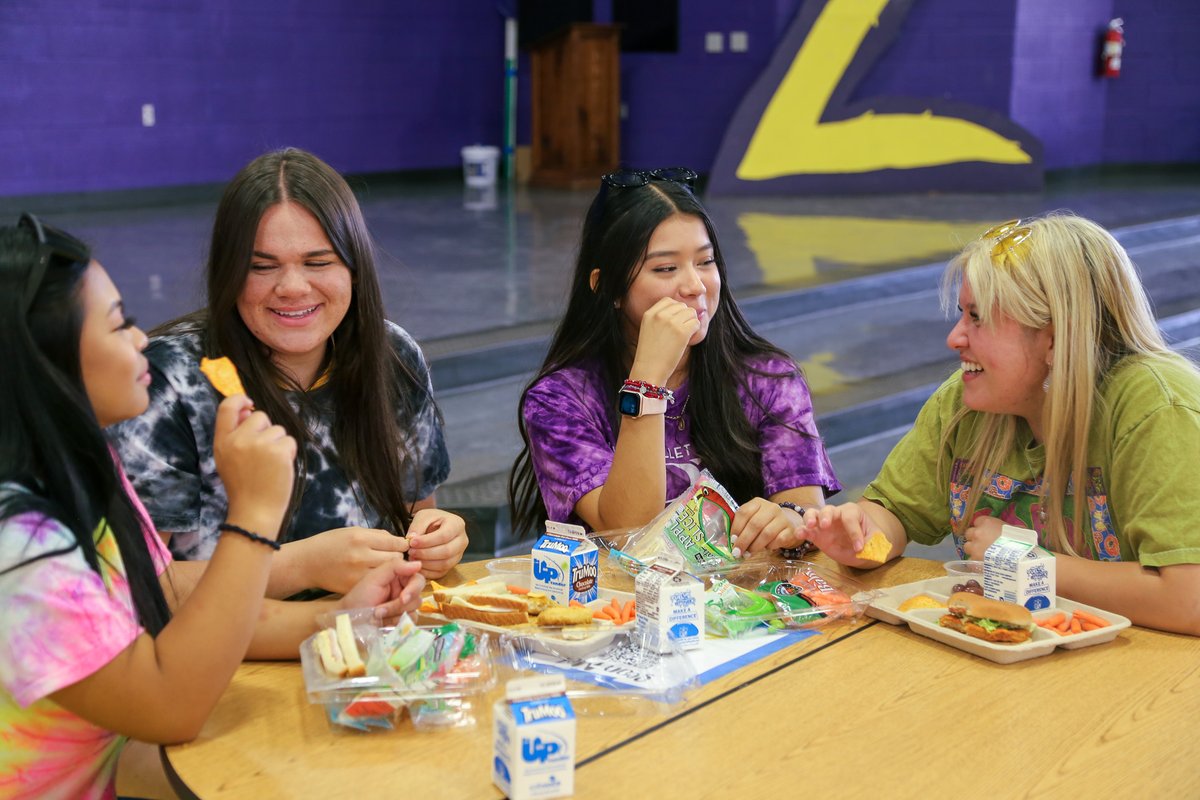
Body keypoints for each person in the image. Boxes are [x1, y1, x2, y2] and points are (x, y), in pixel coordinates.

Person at [0, 216, 426, 799]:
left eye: (319, 261)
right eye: (119, 323)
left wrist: (336, 618)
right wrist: (253, 515)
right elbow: (168, 706)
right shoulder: (21, 545)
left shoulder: (82, 468)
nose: (141, 339)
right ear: (47, 363)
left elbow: (160, 607)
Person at [800, 213, 1200, 635]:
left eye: (977, 317)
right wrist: (861, 538)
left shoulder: (1158, 406)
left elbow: (1189, 599)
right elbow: (893, 516)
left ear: (1055, 337)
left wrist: (1021, 561)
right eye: (961, 314)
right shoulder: (966, 401)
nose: (955, 338)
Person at [112, 148, 468, 596]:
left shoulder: (393, 355)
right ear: (229, 273)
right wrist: (301, 567)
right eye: (261, 267)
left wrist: (437, 538)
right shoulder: (169, 381)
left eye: (318, 263)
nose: (292, 288)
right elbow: (135, 588)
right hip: (228, 658)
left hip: (367, 648)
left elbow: (416, 512)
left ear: (355, 268)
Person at [508, 168, 841, 552]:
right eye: (666, 268)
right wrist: (648, 381)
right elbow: (629, 532)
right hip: (620, 605)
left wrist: (787, 519)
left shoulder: (767, 379)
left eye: (705, 261)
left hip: (740, 603)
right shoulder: (560, 400)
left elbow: (806, 513)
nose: (695, 286)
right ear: (608, 288)